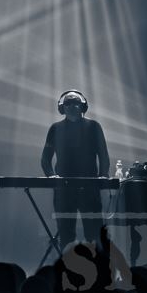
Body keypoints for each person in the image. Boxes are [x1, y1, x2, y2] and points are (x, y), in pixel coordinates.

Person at [40, 89, 110, 248]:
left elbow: (103, 155)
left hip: (89, 188)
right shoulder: (55, 128)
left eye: (75, 103)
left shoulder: (94, 126)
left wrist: (103, 176)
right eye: (68, 103)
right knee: (66, 234)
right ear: (62, 107)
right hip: (64, 190)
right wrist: (51, 176)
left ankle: (97, 263)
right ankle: (67, 262)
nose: (71, 106)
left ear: (83, 106)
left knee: (94, 234)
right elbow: (45, 158)